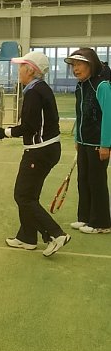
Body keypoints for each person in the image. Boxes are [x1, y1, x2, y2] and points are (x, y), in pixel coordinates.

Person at [0, 51, 71, 257]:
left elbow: (30, 126)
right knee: (29, 195)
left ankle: (55, 234)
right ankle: (27, 237)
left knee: (23, 196)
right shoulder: (40, 88)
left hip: (39, 152)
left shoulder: (34, 92)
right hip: (47, 149)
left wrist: (5, 132)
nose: (18, 71)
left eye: (21, 67)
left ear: (31, 70)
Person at [64, 48, 111, 234]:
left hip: (98, 144)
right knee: (83, 180)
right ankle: (85, 218)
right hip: (83, 143)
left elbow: (108, 117)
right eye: (73, 65)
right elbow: (80, 115)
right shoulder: (80, 86)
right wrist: (77, 138)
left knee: (96, 182)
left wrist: (105, 144)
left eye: (79, 64)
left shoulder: (102, 86)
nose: (75, 69)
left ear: (91, 64)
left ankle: (101, 223)